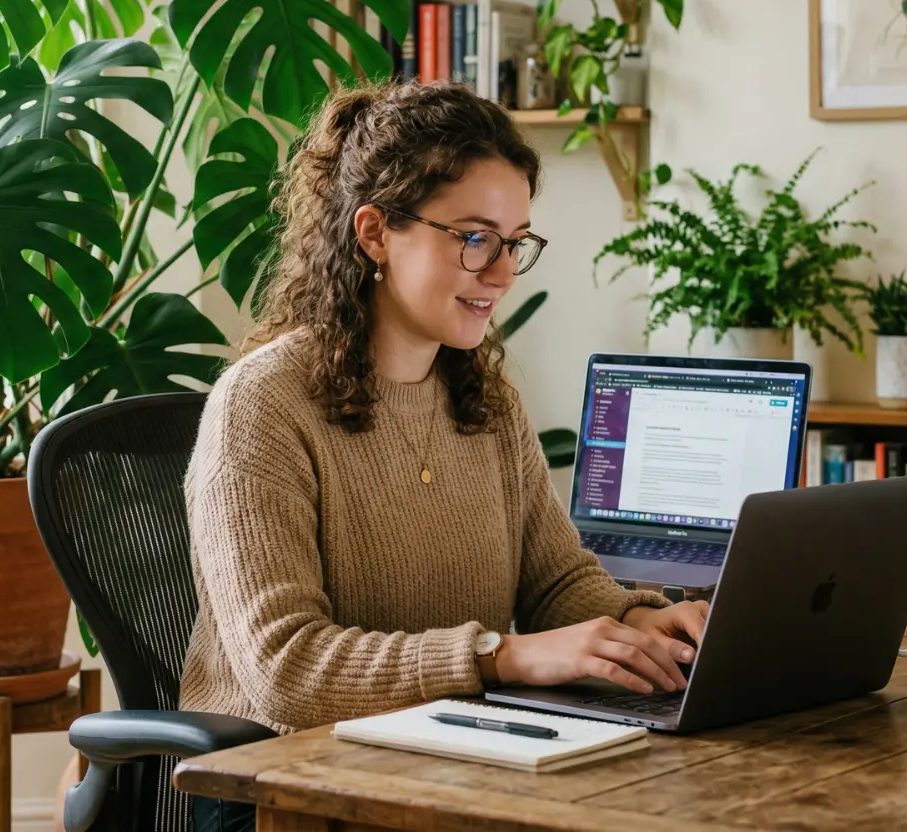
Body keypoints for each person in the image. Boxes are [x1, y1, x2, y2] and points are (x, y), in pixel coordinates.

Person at [181, 81, 708, 832]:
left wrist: (637, 624)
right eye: (473, 237)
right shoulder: (261, 406)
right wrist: (503, 657)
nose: (500, 273)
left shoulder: (484, 401)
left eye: (515, 241)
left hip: (451, 764)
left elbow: (555, 581)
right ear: (374, 234)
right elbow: (286, 672)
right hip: (282, 790)